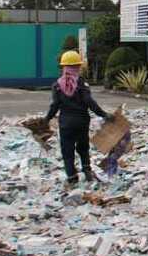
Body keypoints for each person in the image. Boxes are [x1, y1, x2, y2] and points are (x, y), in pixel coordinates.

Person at [44, 50, 113, 185]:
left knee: (67, 150)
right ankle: (87, 170)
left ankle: (71, 176)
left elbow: (55, 106)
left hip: (66, 124)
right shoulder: (81, 84)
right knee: (83, 147)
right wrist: (104, 115)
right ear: (77, 67)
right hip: (82, 122)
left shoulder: (57, 85)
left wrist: (46, 120)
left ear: (64, 67)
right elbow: (90, 102)